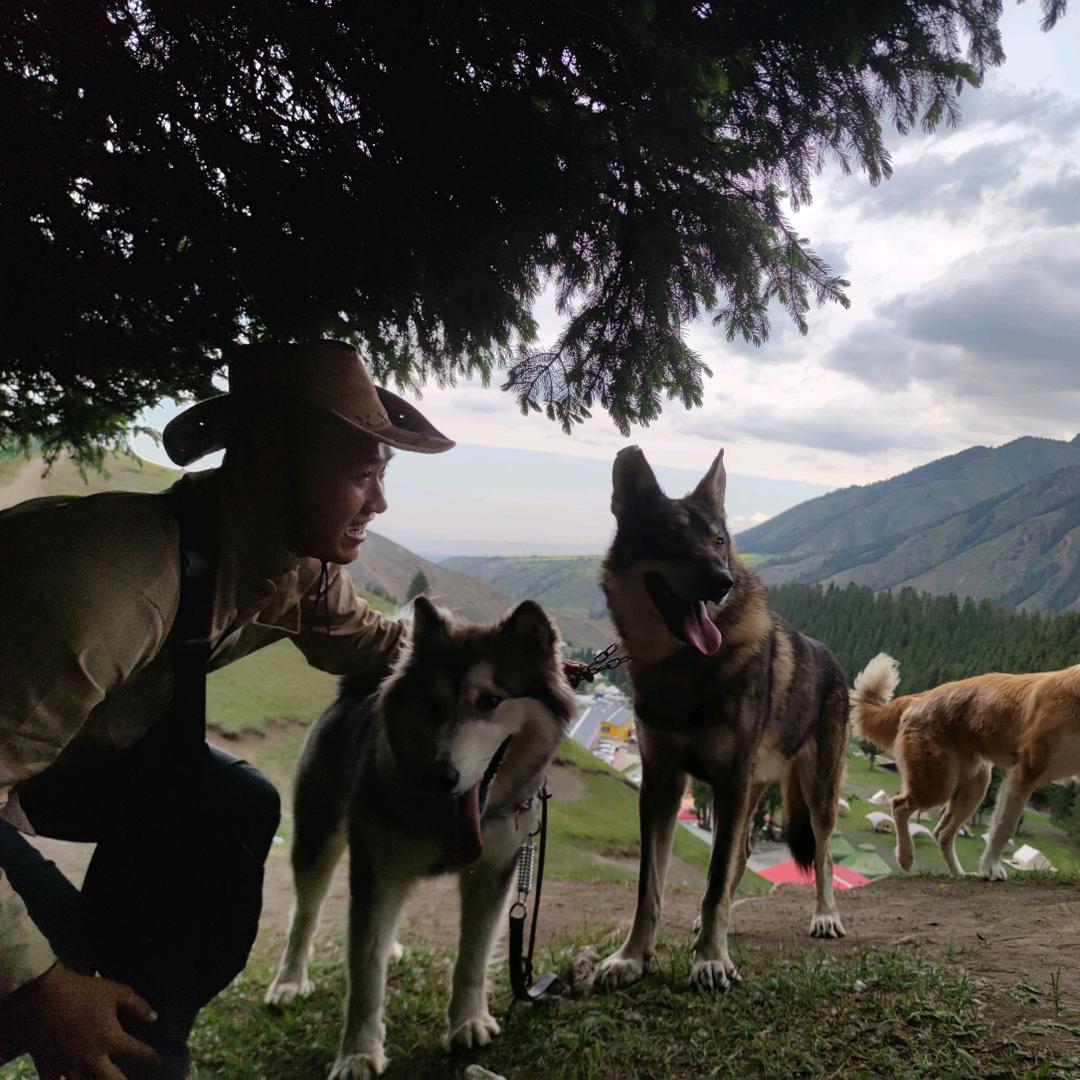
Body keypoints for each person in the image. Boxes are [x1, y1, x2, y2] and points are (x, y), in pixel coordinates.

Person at [0, 340, 456, 1079]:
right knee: (55, 966)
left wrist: (502, 662)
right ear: (275, 458)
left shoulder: (290, 568)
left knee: (231, 806)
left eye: (383, 474)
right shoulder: (116, 590)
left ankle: (145, 1046)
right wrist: (43, 986)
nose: (379, 502)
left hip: (49, 758)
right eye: (361, 473)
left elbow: (373, 644)